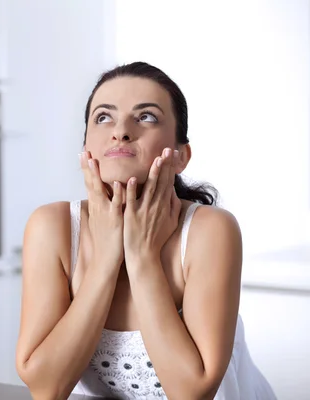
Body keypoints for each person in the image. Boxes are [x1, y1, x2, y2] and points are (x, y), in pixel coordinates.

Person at [14, 62, 277, 400]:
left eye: (146, 117)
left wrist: (140, 256)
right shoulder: (52, 228)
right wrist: (108, 258)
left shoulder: (210, 231)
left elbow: (191, 392)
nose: (120, 131)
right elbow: (46, 388)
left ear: (181, 156)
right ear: (86, 148)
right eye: (103, 117)